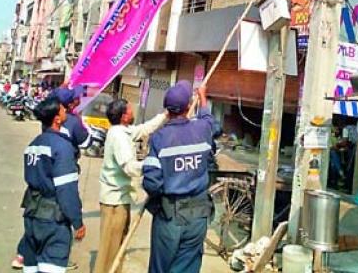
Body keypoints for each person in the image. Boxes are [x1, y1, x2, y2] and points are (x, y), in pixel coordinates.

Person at [142, 82, 221, 273]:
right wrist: (202, 96)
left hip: (170, 216)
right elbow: (212, 123)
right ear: (188, 107)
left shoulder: (160, 138)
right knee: (187, 267)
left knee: (161, 268)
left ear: (167, 111)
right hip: (197, 216)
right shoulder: (202, 130)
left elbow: (152, 183)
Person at [12, 87, 89, 270]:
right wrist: (77, 222)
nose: (66, 112)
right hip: (53, 220)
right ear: (57, 118)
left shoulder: (33, 145)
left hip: (31, 215)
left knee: (30, 267)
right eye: (63, 110)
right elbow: (66, 191)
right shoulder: (62, 148)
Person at [94, 100, 168, 273]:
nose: (133, 111)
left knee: (118, 245)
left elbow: (145, 128)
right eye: (129, 109)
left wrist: (165, 115)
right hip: (114, 201)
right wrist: (151, 166)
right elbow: (128, 166)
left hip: (120, 199)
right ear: (124, 116)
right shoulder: (118, 136)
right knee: (110, 249)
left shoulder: (123, 131)